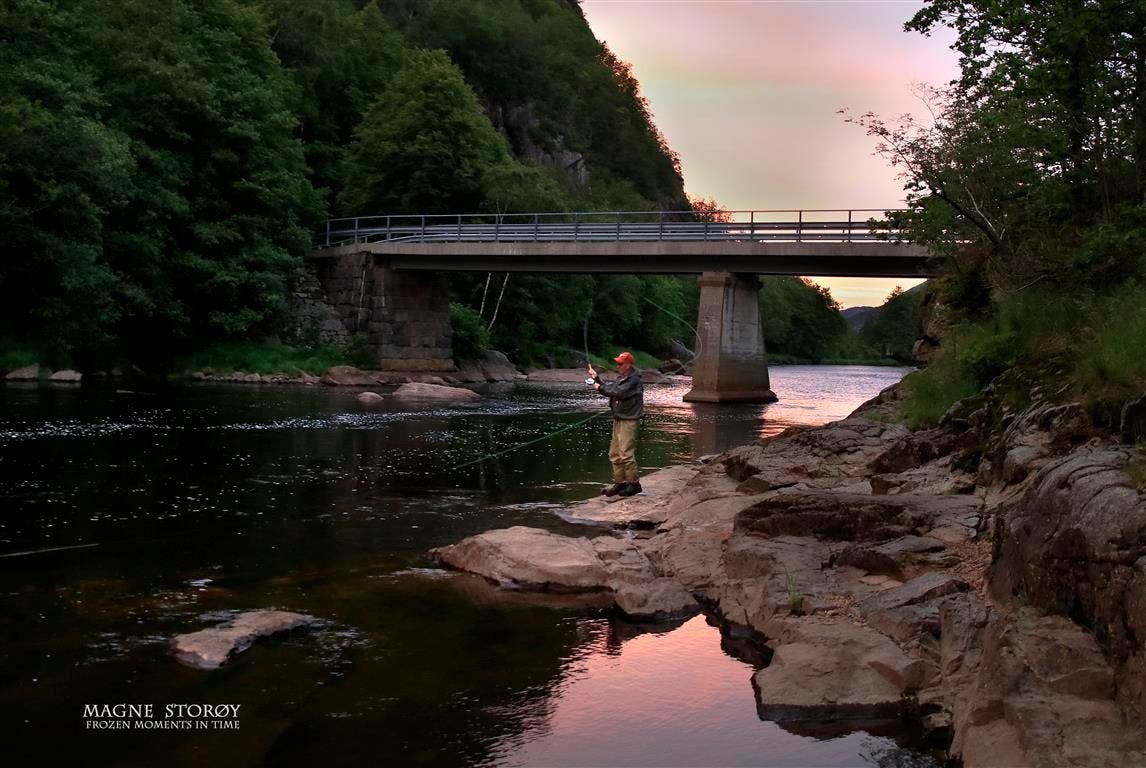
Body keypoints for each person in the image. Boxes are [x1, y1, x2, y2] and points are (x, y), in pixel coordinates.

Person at [588, 351, 644, 497]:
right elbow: (611, 388)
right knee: (614, 454)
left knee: (626, 453)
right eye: (617, 363)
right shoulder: (622, 378)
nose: (618, 365)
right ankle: (621, 483)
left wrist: (599, 388)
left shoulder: (634, 381)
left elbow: (618, 392)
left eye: (620, 363)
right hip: (619, 418)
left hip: (629, 419)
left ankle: (634, 484)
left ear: (629, 364)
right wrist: (596, 379)